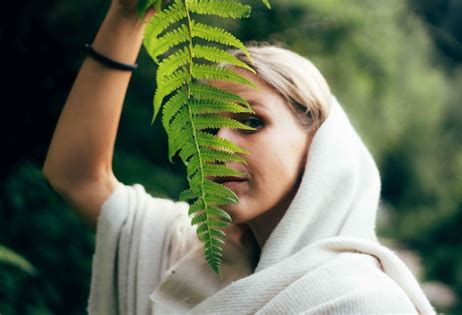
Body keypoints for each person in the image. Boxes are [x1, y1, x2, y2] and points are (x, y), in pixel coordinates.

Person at [43, 0, 437, 314]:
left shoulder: (364, 302)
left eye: (251, 121)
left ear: (320, 142)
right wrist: (127, 15)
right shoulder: (189, 253)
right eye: (208, 129)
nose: (218, 144)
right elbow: (78, 178)